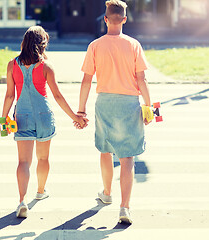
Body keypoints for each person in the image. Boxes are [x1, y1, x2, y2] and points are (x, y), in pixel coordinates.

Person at [75, 0, 151, 224]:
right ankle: (124, 207)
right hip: (129, 103)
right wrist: (148, 107)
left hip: (104, 103)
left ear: (105, 19)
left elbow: (86, 80)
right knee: (128, 157)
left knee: (106, 150)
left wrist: (81, 110)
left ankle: (107, 193)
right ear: (125, 20)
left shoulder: (95, 46)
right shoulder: (134, 45)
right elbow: (142, 79)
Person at [1, 26, 88, 218]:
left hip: (21, 116)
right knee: (43, 158)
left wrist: (3, 118)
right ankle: (40, 191)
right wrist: (76, 117)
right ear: (42, 45)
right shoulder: (46, 67)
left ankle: (22, 201)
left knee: (23, 161)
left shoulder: (12, 65)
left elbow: (9, 96)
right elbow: (57, 96)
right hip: (44, 116)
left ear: (24, 42)